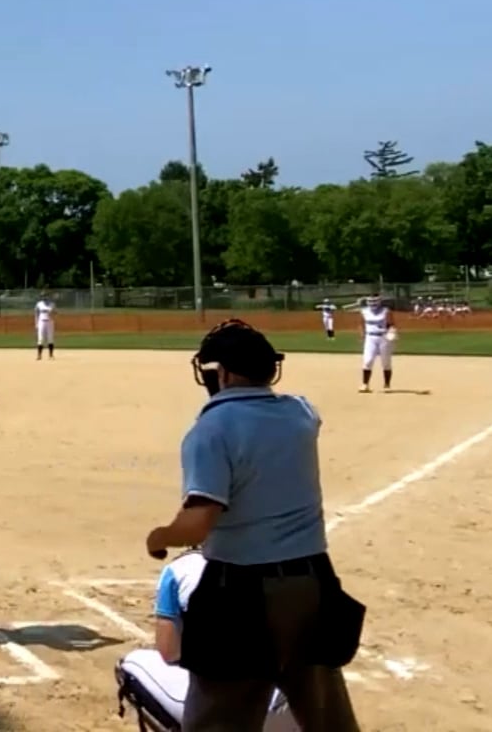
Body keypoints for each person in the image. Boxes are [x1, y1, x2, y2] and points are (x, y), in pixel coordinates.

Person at [144, 319, 363, 731]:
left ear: (222, 373)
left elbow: (199, 523)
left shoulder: (210, 430)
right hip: (314, 584)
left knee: (218, 718)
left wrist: (161, 536)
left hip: (240, 593)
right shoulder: (301, 413)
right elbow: (295, 415)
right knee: (327, 720)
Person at [115, 549, 299, 731]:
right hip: (290, 707)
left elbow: (170, 653)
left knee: (130, 664)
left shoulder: (180, 569)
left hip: (227, 709)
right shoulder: (282, 561)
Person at [358, 297, 395, 393]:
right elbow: (361, 324)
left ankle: (387, 384)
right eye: (370, 301)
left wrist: (391, 331)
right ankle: (365, 385)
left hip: (383, 337)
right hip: (370, 337)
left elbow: (391, 324)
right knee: (368, 360)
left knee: (386, 362)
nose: (372, 303)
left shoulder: (385, 311)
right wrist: (362, 334)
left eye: (374, 301)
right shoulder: (364, 311)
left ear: (379, 301)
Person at [35, 293, 57, 359]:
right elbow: (36, 313)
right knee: (40, 339)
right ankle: (39, 355)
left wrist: (53, 313)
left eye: (45, 296)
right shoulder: (39, 304)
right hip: (41, 322)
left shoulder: (52, 304)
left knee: (50, 339)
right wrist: (36, 323)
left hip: (50, 322)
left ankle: (51, 355)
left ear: (48, 297)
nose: (44, 297)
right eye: (43, 296)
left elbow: (56, 313)